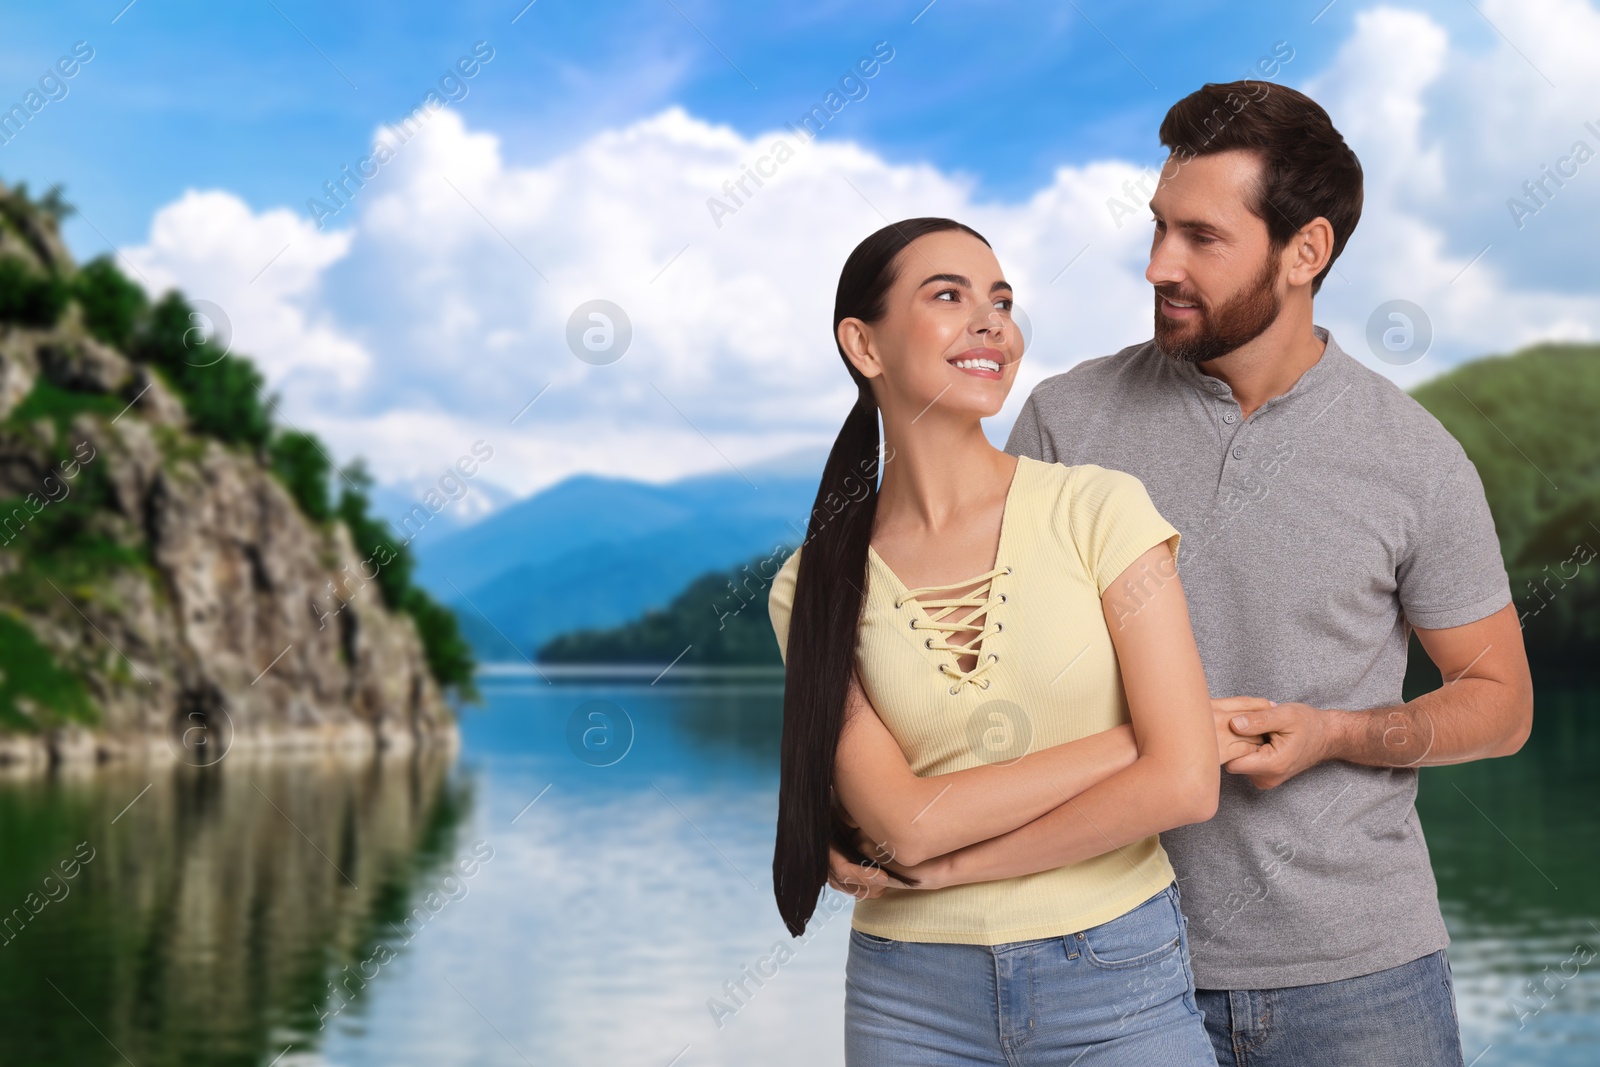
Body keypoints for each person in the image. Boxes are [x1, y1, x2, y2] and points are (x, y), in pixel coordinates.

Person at [841, 83, 1533, 1066]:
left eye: (1201, 238)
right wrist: (877, 829)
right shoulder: (1064, 422)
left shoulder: (1413, 460)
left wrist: (1338, 733)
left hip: (1358, 977)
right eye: (1159, 227)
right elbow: (970, 672)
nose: (1160, 263)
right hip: (1097, 967)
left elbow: (1498, 702)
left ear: (1306, 252)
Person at [768, 216, 1237, 1065]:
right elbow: (905, 827)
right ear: (863, 344)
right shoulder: (811, 586)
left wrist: (950, 872)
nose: (993, 323)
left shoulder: (1101, 511)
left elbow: (1185, 784)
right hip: (908, 998)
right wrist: (1139, 740)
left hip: (1116, 974)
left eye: (1003, 301)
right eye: (949, 296)